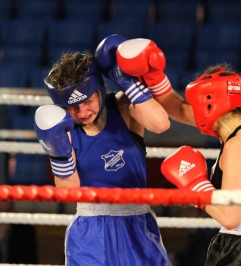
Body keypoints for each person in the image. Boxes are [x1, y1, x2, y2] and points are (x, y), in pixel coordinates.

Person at [116, 38, 241, 265]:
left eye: (198, 103)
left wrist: (196, 187)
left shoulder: (240, 145)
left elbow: (231, 217)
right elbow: (177, 107)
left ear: (210, 103)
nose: (193, 109)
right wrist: (154, 77)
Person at [34, 34, 172, 265]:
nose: (82, 112)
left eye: (87, 100)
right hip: (91, 230)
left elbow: (161, 124)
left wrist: (128, 82)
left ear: (98, 89)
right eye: (72, 107)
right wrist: (59, 153)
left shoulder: (124, 108)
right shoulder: (63, 131)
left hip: (137, 222)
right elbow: (68, 193)